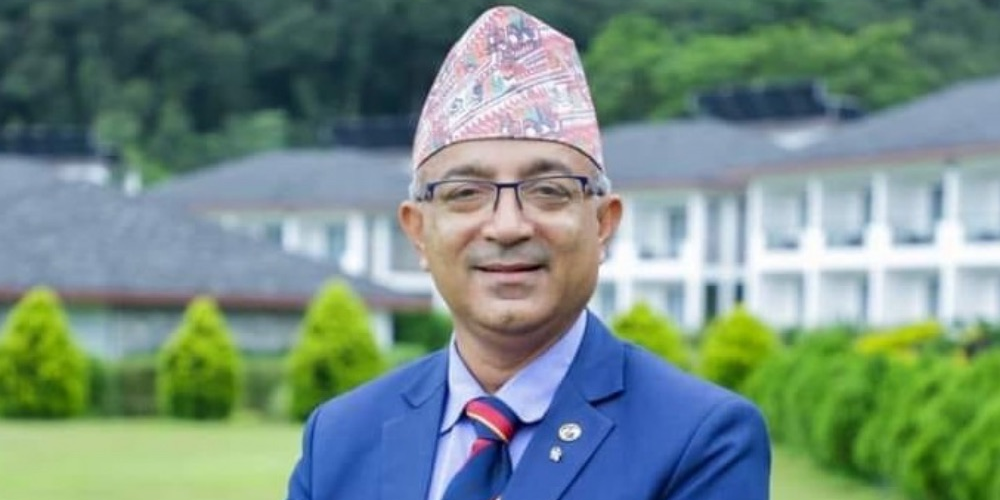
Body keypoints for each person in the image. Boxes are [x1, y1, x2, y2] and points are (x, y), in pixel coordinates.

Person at [285, 5, 770, 500]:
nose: (508, 226)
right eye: (465, 193)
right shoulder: (340, 439)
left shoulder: (700, 440)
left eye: (549, 190)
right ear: (418, 232)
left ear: (603, 224)